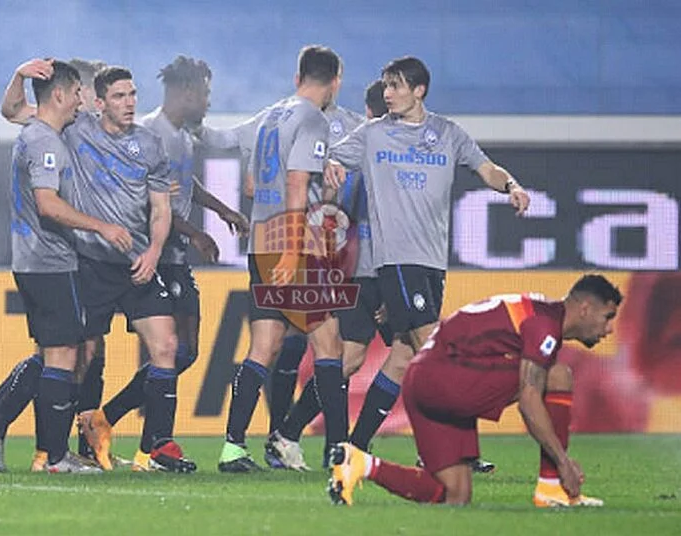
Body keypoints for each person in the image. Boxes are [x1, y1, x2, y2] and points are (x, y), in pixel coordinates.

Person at [324, 57, 531, 463]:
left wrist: (511, 186)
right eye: (386, 86)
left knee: (403, 358)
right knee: (438, 351)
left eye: (396, 86)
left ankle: (355, 447)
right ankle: (452, 449)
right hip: (397, 260)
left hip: (432, 262)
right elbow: (333, 157)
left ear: (419, 90)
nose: (388, 94)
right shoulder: (372, 134)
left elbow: (483, 166)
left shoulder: (448, 133)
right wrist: (332, 163)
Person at [79, 54, 249, 472]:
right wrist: (196, 232)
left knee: (180, 351)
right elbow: (152, 198)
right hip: (153, 257)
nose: (208, 101)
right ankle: (155, 445)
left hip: (172, 257)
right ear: (186, 92)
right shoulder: (152, 132)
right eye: (205, 93)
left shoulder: (180, 136)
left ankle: (114, 422)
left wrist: (221, 208)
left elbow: (181, 183)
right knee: (170, 349)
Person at [329, 274, 621, 507]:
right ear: (585, 309)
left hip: (424, 381)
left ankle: (360, 463)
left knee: (455, 493)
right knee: (557, 375)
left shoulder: (537, 311)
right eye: (608, 317)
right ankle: (551, 488)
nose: (609, 329)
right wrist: (563, 462)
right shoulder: (544, 325)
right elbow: (529, 401)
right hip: (446, 379)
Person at [0, 60, 134, 474]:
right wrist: (103, 226)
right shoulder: (46, 142)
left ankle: (1, 428)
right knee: (63, 355)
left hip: (39, 260)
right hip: (49, 261)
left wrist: (20, 75)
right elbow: (47, 205)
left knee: (63, 352)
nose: (83, 100)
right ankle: (50, 455)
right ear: (60, 95)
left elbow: (10, 109)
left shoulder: (41, 129)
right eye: (78, 92)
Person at [217, 45, 344, 473]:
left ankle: (233, 447)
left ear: (297, 77)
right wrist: (294, 247)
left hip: (261, 242)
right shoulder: (313, 119)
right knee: (330, 346)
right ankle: (339, 450)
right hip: (293, 246)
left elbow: (252, 185)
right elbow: (295, 182)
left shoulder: (272, 115)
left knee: (264, 346)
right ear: (335, 83)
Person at [266, 79, 394, 470]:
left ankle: (309, 438)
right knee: (350, 358)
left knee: (396, 354)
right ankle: (307, 437)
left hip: (387, 267)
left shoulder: (398, 151)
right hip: (358, 269)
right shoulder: (354, 146)